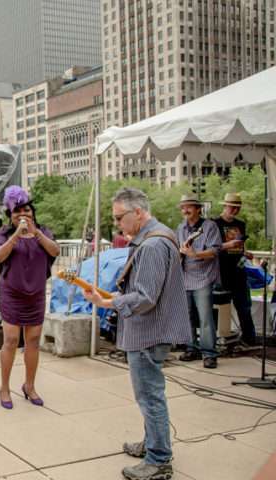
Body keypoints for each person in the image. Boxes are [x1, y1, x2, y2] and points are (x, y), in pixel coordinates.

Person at [84, 187, 191, 480]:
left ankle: (158, 460)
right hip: (152, 330)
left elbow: (145, 297)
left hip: (149, 332)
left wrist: (108, 302)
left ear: (139, 213)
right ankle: (153, 443)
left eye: (120, 217)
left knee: (149, 396)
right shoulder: (157, 237)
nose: (118, 223)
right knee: (149, 394)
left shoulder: (153, 245)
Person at [0, 186, 60, 410]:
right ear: (10, 215)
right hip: (12, 293)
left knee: (33, 341)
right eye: (17, 212)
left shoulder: (43, 231)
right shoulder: (2, 234)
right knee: (10, 340)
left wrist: (35, 233)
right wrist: (16, 236)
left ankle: (29, 386)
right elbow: (0, 255)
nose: (23, 215)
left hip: (36, 293)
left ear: (33, 213)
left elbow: (55, 251)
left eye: (27, 211)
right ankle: (4, 387)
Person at [175, 194, 222, 369]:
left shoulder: (210, 226)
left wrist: (195, 254)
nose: (185, 210)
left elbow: (215, 250)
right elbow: (179, 250)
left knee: (205, 318)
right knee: (186, 317)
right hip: (185, 278)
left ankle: (209, 354)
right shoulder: (181, 228)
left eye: (188, 207)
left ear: (198, 209)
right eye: (182, 207)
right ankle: (191, 348)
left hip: (203, 278)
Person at [213, 192, 257, 346]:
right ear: (225, 206)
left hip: (239, 271)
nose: (235, 211)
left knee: (244, 307)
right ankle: (211, 340)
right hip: (221, 272)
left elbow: (239, 247)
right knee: (215, 308)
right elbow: (210, 248)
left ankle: (249, 338)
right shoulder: (214, 224)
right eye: (232, 207)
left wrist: (245, 252)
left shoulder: (240, 224)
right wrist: (228, 245)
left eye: (237, 208)